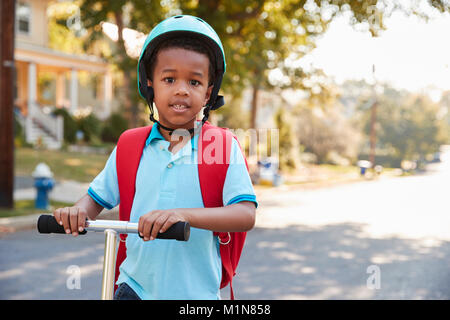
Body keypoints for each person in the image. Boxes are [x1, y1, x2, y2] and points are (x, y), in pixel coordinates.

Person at [53, 15, 257, 300]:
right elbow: (94, 201)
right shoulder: (129, 145)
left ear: (209, 93)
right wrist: (75, 212)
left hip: (196, 294)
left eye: (195, 82)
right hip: (132, 288)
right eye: (169, 79)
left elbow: (245, 215)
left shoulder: (221, 146)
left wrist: (182, 215)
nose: (182, 89)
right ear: (150, 86)